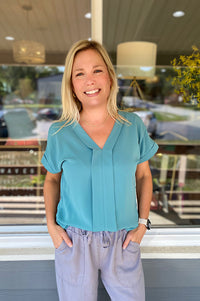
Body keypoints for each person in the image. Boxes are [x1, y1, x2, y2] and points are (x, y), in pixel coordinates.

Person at [42, 39, 158, 301]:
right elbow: (51, 180)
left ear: (109, 76)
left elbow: (143, 176)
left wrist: (141, 225)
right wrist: (51, 226)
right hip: (74, 242)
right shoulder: (60, 132)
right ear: (71, 84)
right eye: (79, 74)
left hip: (124, 239)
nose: (89, 80)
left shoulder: (132, 126)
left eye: (97, 70)